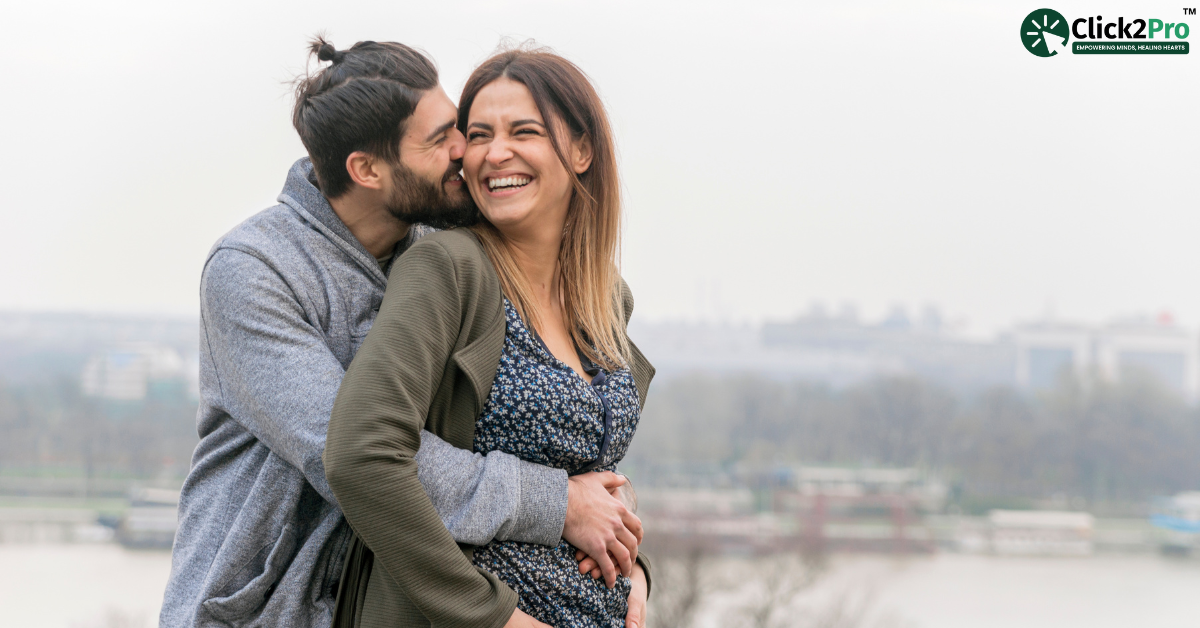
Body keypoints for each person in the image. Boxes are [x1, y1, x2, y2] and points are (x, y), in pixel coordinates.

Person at [160, 39, 644, 628]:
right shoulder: (254, 270)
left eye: (456, 128)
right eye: (443, 140)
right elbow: (355, 451)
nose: (467, 152)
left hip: (387, 598)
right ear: (366, 169)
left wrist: (625, 561)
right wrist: (558, 502)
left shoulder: (437, 243)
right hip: (268, 608)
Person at [325, 46, 653, 628]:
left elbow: (590, 480)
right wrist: (493, 618)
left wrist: (634, 571)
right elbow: (361, 455)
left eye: (523, 131)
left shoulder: (606, 297)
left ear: (580, 150)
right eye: (478, 134)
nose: (495, 153)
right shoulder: (447, 269)